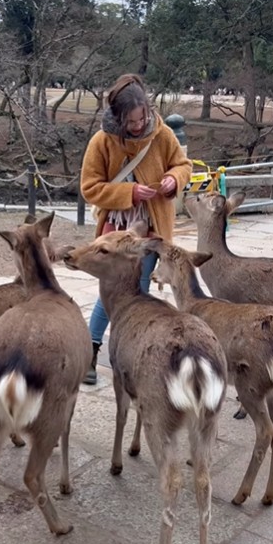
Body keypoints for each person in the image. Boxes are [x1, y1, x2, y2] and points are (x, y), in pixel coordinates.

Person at [80, 73, 192, 384]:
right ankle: (91, 350)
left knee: (137, 292)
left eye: (142, 117)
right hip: (116, 232)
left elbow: (183, 165)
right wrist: (128, 194)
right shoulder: (102, 141)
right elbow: (89, 187)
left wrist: (173, 180)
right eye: (131, 121)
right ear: (118, 118)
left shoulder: (162, 133)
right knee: (113, 292)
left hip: (152, 230)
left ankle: (131, 352)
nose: (139, 124)